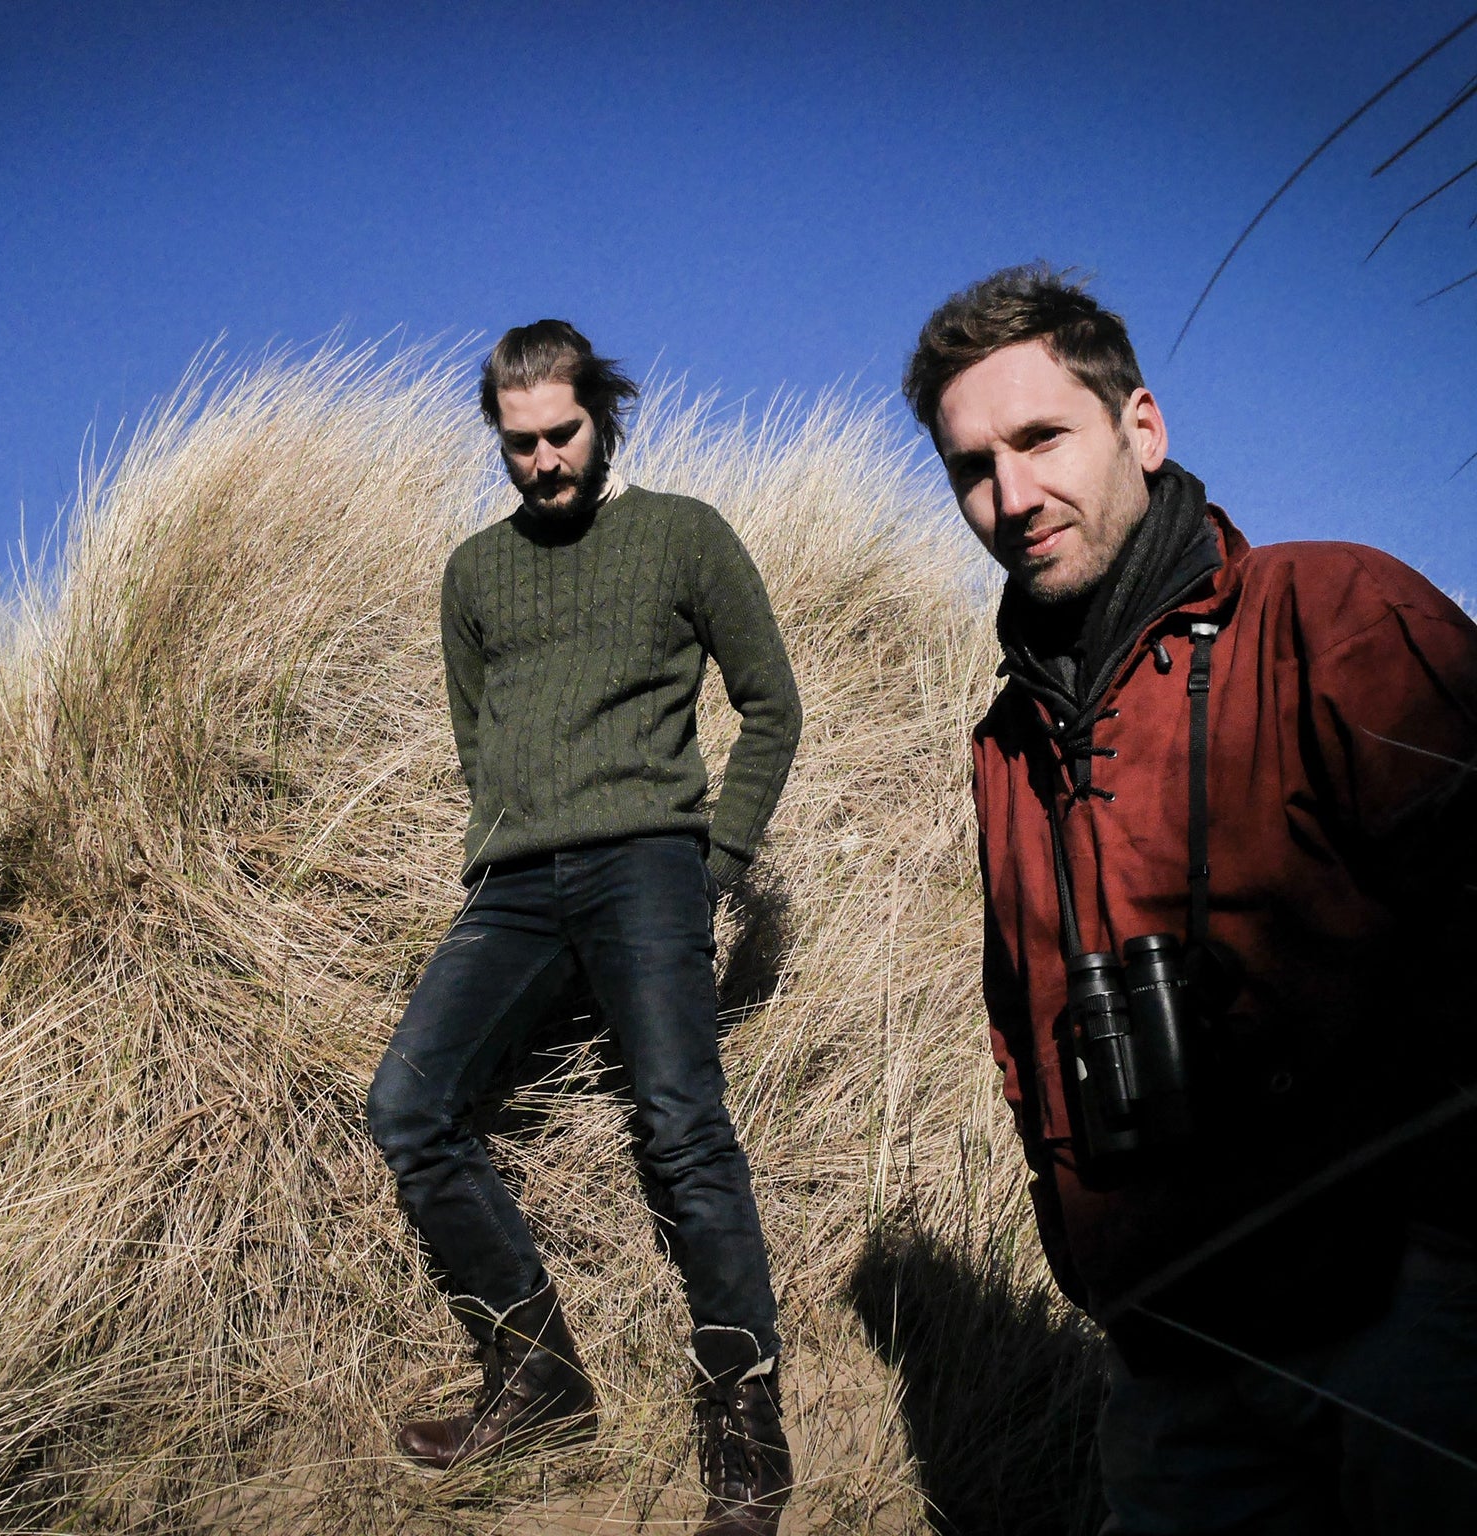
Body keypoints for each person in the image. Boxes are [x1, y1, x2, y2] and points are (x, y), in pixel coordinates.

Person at [904, 264, 1477, 1534]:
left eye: (1041, 437)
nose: (1010, 495)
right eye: (970, 466)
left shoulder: (1329, 610)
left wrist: (1440, 1256)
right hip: (1170, 1360)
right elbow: (1023, 1031)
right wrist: (1098, 1269)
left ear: (1140, 428)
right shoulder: (1005, 738)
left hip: (1406, 1328)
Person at [366, 320, 801, 1534]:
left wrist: (711, 863)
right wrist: (515, 829)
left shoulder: (683, 534)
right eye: (519, 445)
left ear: (601, 416)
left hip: (648, 867)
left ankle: (742, 1415)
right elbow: (476, 738)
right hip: (510, 886)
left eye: (561, 434)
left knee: (677, 1124)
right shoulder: (473, 572)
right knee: (408, 1106)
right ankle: (538, 1376)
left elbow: (771, 707)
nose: (544, 461)